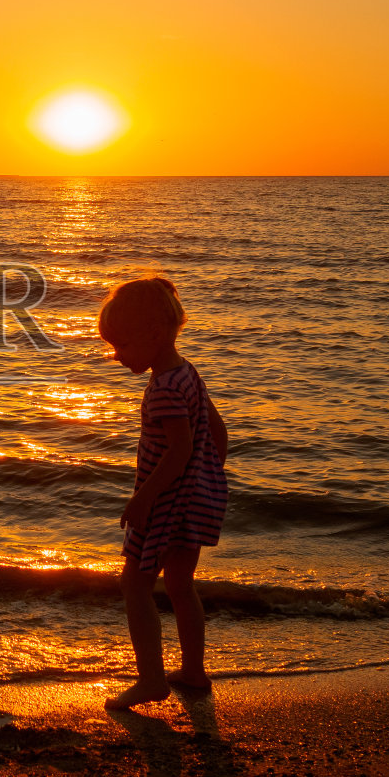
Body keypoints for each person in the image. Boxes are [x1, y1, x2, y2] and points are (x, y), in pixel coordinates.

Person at [96, 277, 228, 709]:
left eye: (122, 345)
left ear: (154, 335)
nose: (116, 356)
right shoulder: (187, 373)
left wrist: (144, 498)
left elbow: (180, 448)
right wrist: (208, 475)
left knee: (133, 584)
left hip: (167, 501)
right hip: (193, 498)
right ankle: (193, 671)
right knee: (180, 585)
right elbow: (215, 430)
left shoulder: (164, 390)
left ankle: (152, 679)